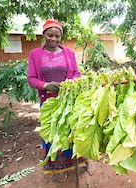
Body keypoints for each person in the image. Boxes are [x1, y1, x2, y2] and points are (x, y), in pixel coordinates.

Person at [27, 19, 87, 182]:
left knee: (70, 131)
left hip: (68, 101)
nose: (53, 39)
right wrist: (46, 85)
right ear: (43, 35)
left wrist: (70, 83)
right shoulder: (35, 54)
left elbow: (76, 74)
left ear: (61, 36)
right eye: (49, 35)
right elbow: (31, 79)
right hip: (48, 103)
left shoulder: (69, 53)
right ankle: (56, 168)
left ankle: (75, 163)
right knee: (52, 133)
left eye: (57, 36)